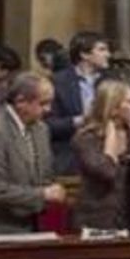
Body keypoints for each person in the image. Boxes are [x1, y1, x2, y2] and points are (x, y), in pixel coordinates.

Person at [0, 73, 67, 233]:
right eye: (43, 103)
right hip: (1, 229)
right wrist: (42, 194)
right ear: (21, 101)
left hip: (34, 225)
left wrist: (52, 189)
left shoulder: (42, 129)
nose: (49, 110)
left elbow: (45, 176)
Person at [72, 80, 130, 231]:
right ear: (113, 108)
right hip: (97, 221)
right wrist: (110, 138)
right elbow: (107, 172)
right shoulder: (86, 139)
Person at [47, 31, 110, 174]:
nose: (108, 54)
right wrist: (80, 120)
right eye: (102, 50)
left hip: (104, 156)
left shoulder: (111, 81)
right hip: (69, 156)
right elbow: (47, 124)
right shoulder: (57, 82)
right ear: (84, 54)